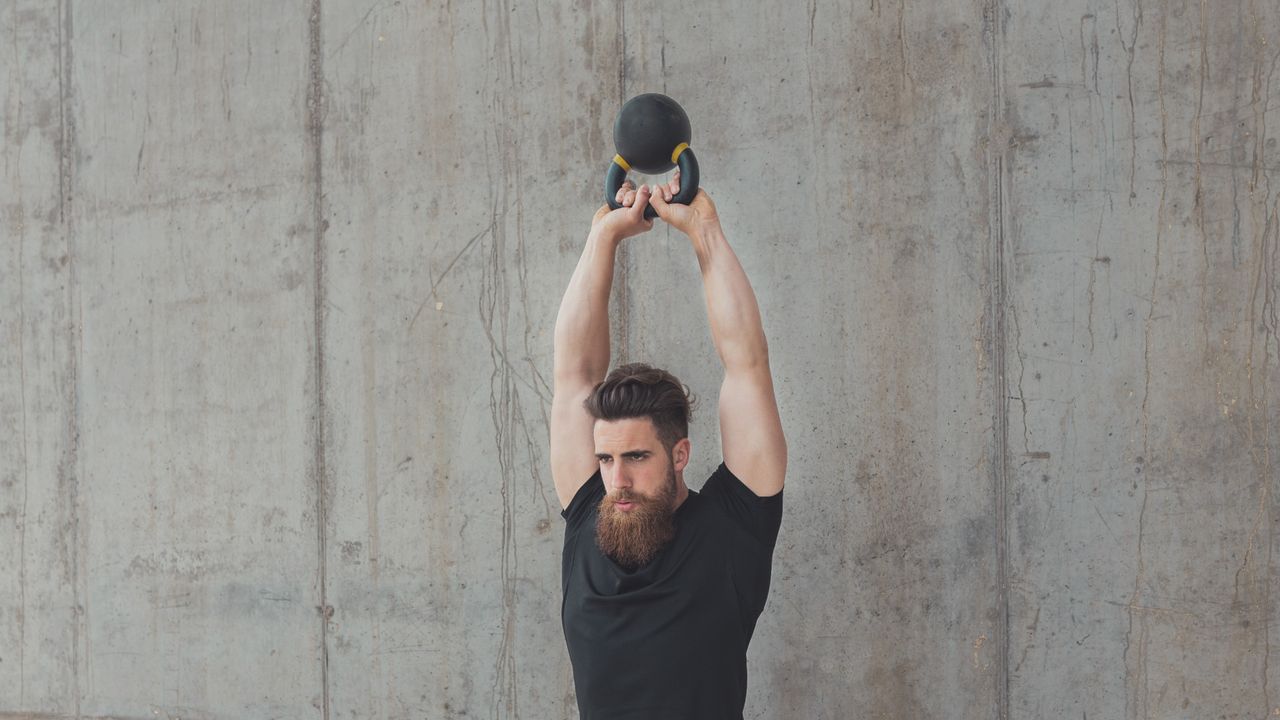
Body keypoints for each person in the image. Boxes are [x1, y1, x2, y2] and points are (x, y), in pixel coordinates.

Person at [549, 171, 787, 719]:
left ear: (680, 454)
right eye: (606, 459)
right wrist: (603, 237)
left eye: (636, 457)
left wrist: (704, 232)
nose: (617, 480)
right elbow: (573, 374)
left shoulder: (734, 528)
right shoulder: (589, 515)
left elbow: (747, 367)